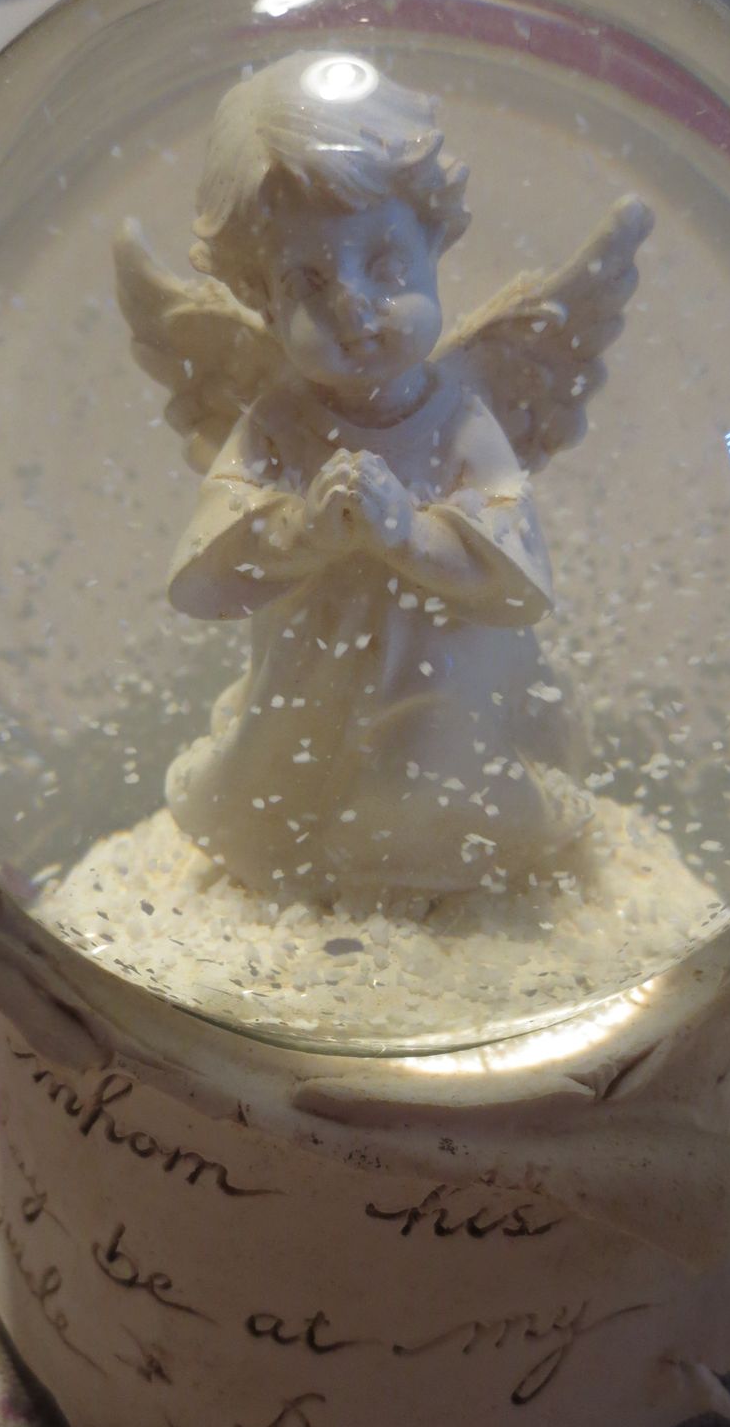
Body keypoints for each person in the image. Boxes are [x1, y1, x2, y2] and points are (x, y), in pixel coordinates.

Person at [161, 52, 592, 903]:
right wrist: (303, 531)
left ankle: (440, 878)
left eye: (387, 266)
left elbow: (517, 573)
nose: (354, 306)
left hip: (444, 675)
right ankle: (306, 869)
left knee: (435, 786)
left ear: (434, 245)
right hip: (313, 671)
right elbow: (207, 573)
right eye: (308, 282)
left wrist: (410, 536)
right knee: (280, 793)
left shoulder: (462, 417)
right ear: (263, 300)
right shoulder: (278, 423)